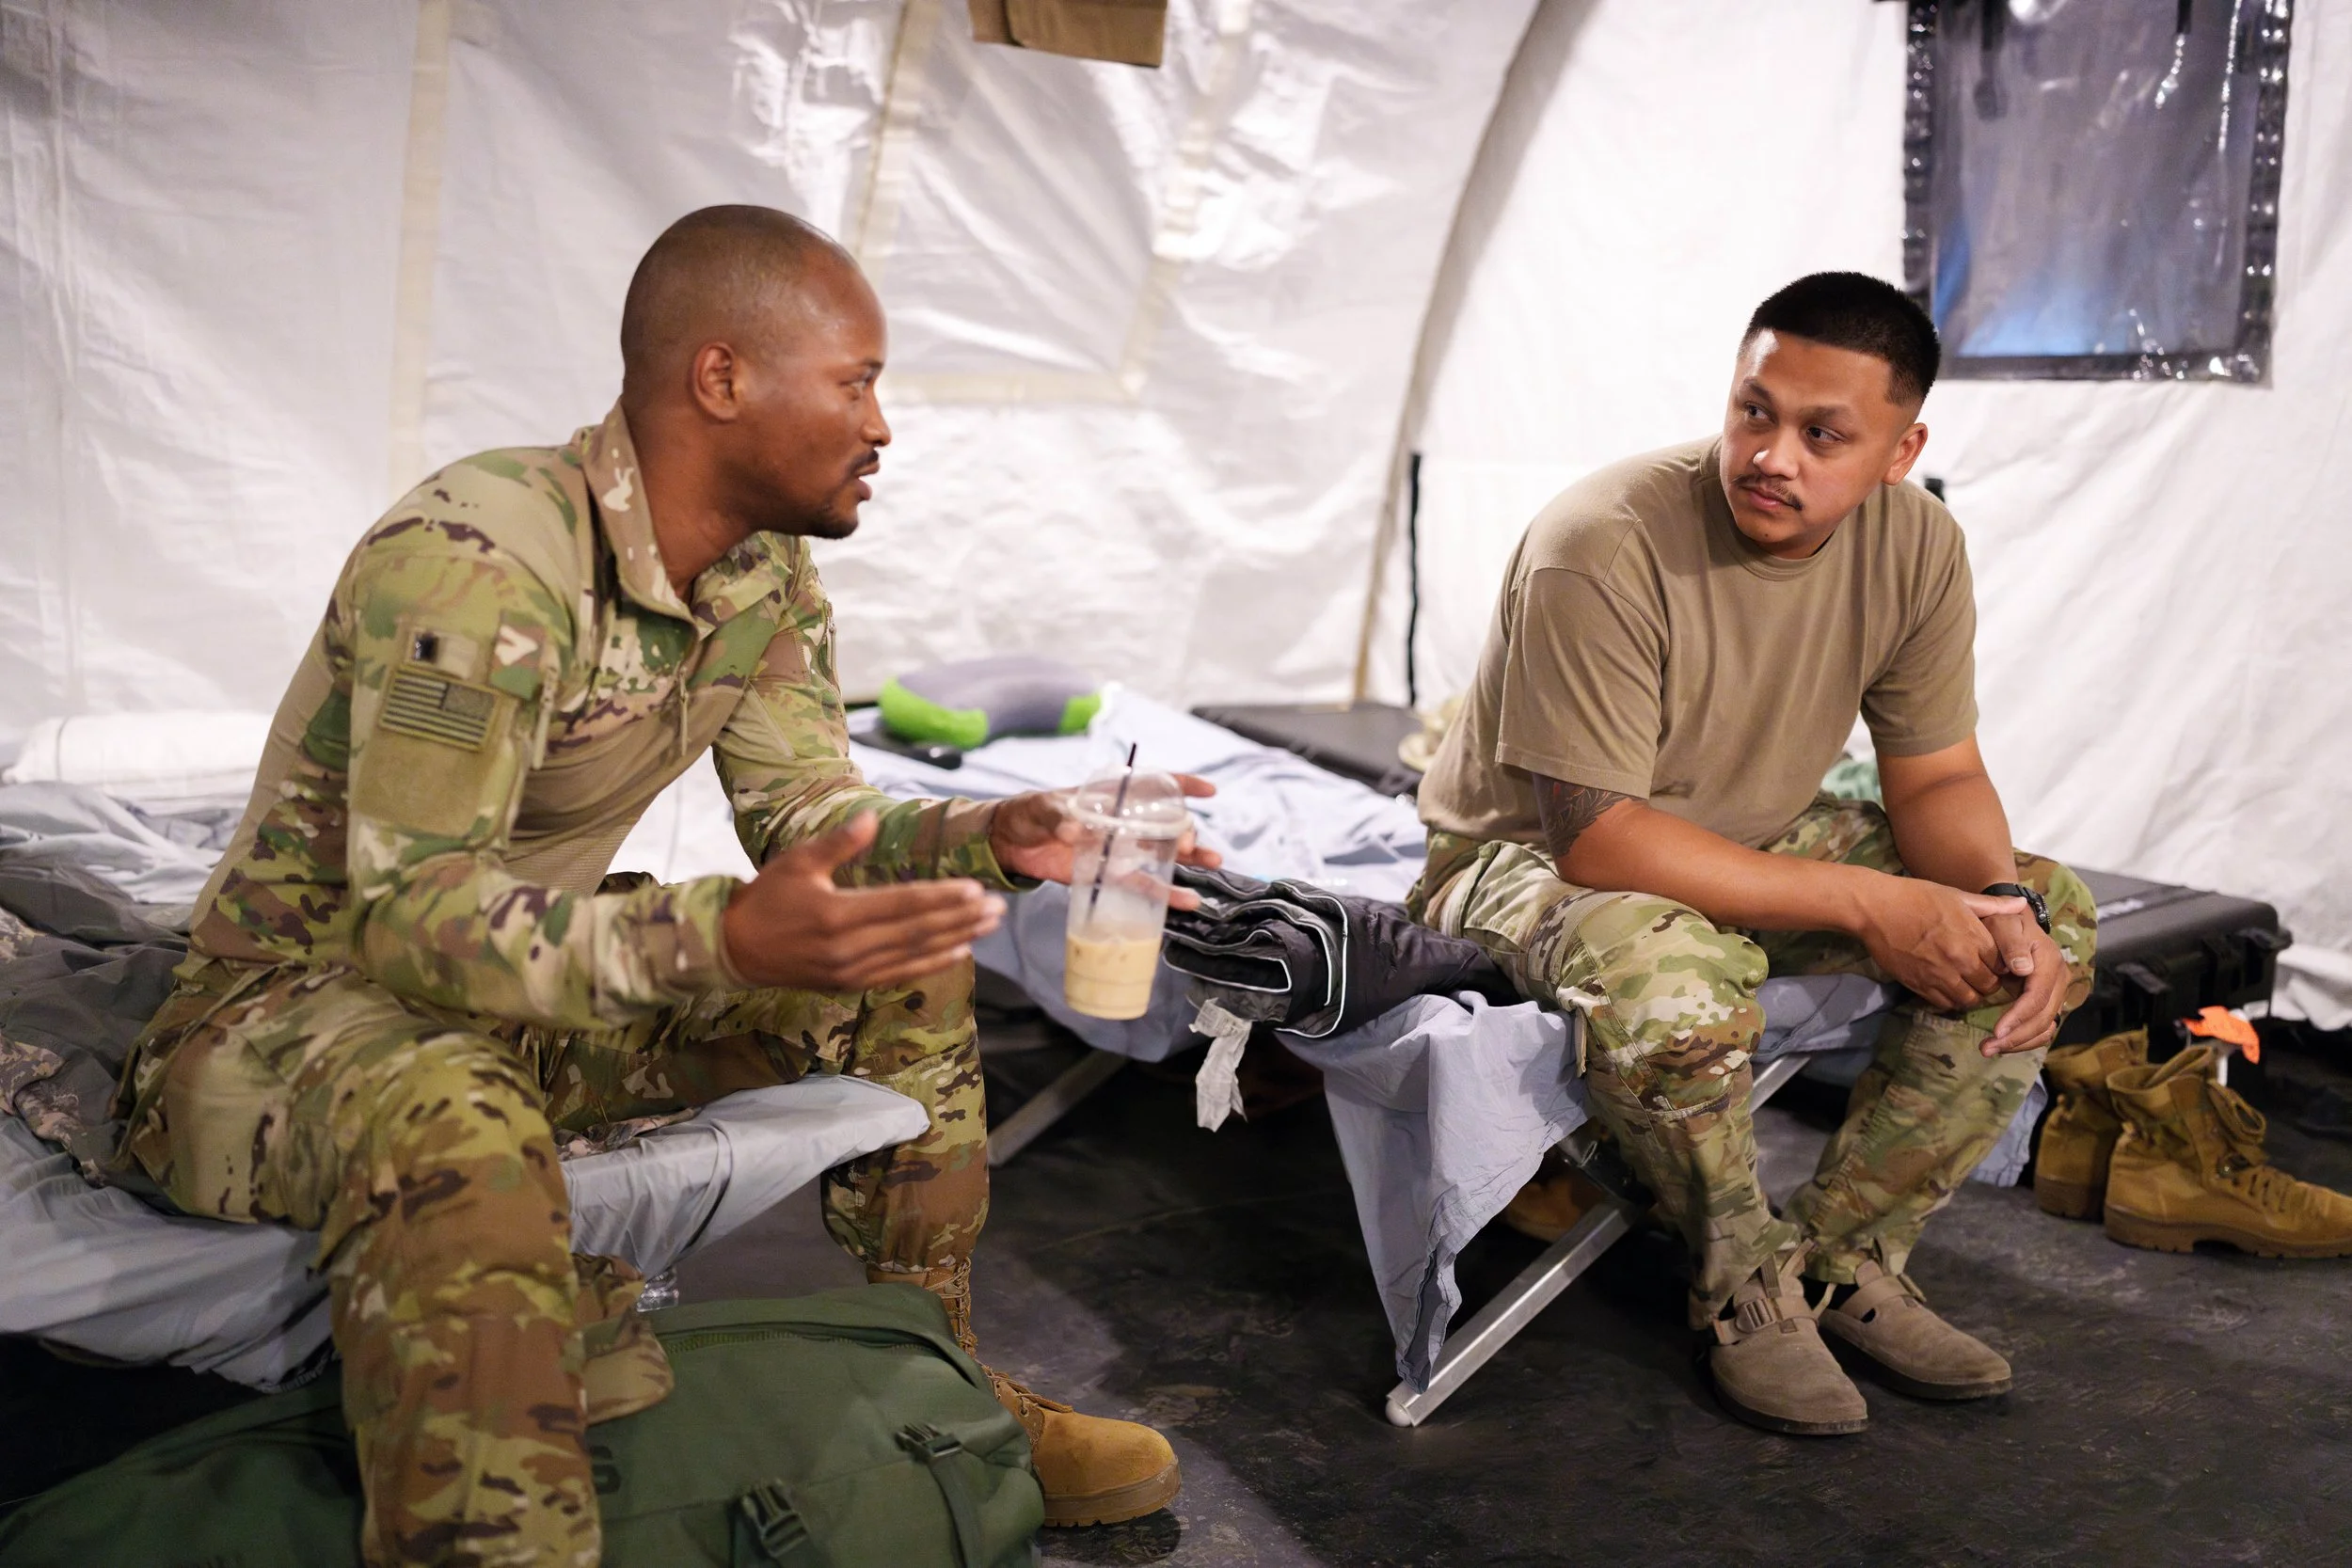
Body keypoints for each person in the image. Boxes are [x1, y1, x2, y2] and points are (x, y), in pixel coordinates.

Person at [113, 204, 1202, 1566]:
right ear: (722, 378)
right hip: (291, 1022)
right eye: (856, 382)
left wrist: (999, 828)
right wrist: (718, 937)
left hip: (517, 1010)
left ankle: (943, 1380)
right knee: (461, 1119)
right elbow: (408, 913)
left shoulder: (763, 571)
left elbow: (808, 812)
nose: (882, 426)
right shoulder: (482, 556)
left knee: (899, 961)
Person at [1409, 273, 2097, 1435]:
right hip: (1519, 855)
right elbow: (1598, 836)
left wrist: (1989, 895)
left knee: (2043, 914)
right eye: (1753, 411)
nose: (1771, 456)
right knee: (1668, 970)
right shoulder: (1602, 541)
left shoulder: (1917, 543)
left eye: (1823, 434)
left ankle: (1843, 1259)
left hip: (1748, 833)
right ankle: (1741, 1280)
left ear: (1900, 449)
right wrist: (1869, 903)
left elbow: (1934, 777)